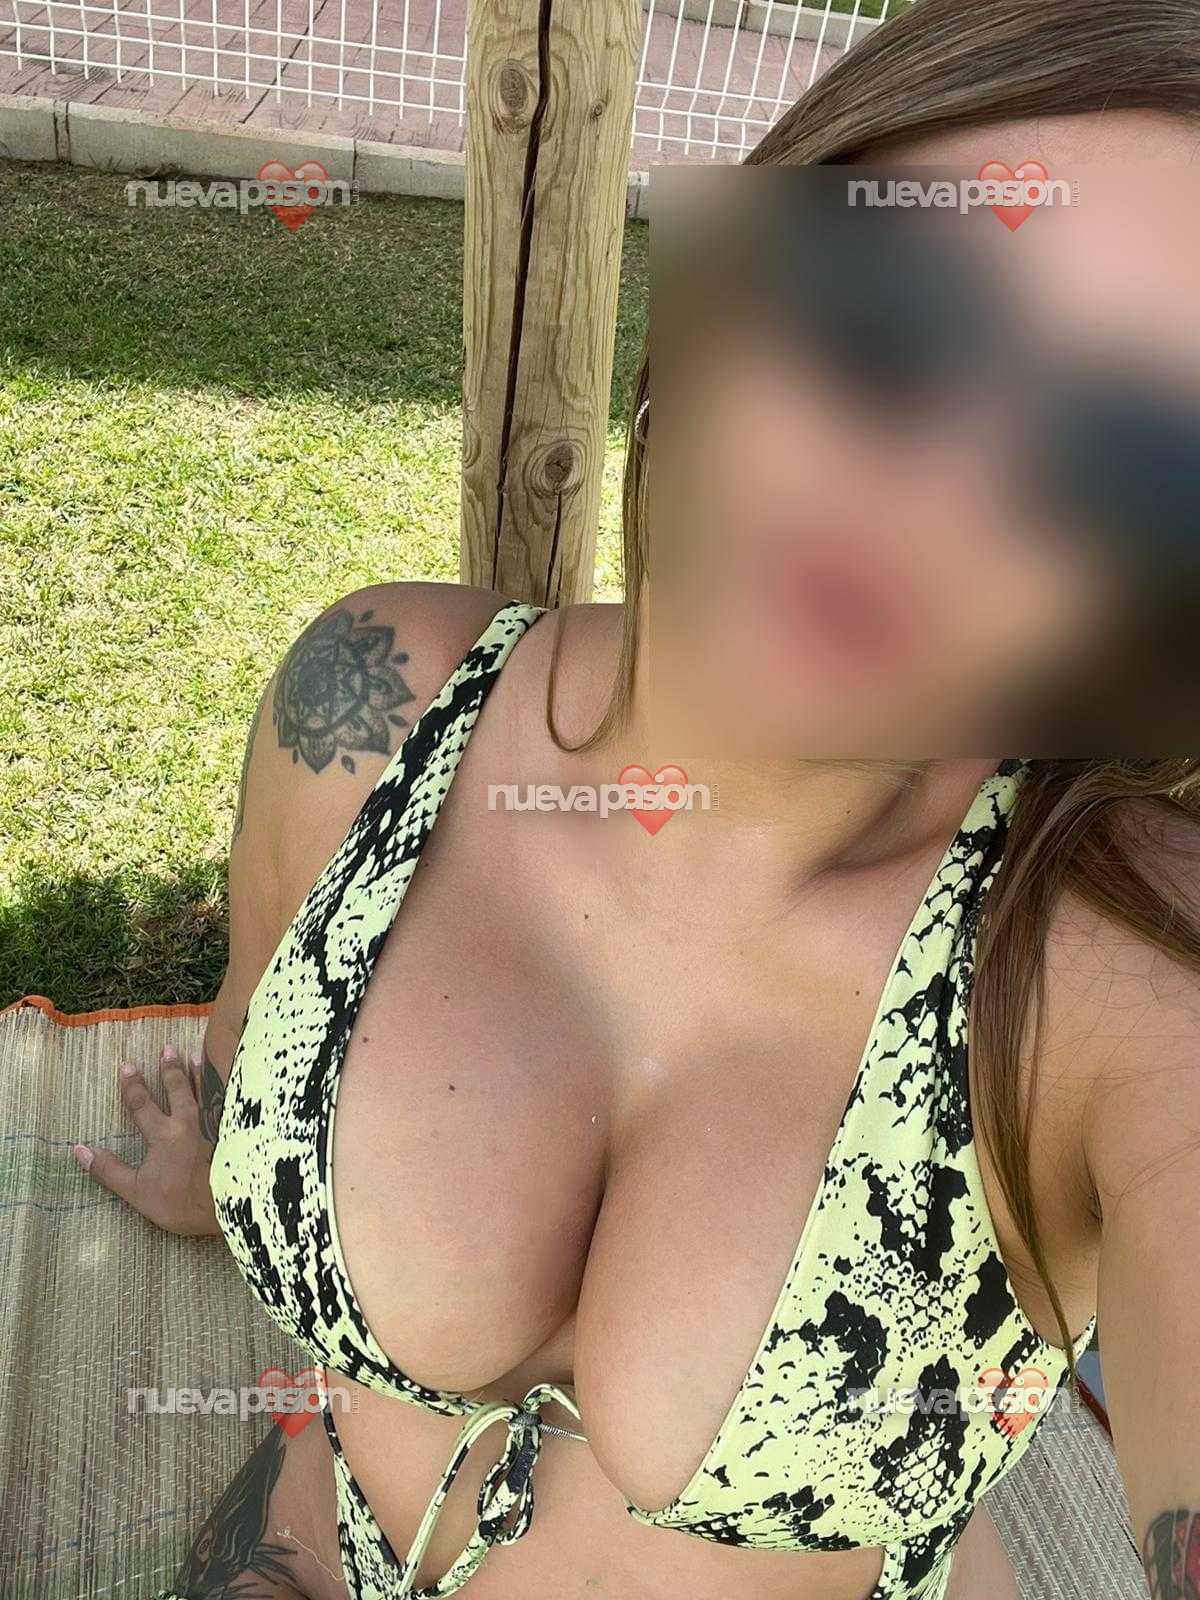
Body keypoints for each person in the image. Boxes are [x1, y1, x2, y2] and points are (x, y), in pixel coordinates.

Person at [76, 2, 1200, 1596]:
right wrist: (227, 1172)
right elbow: (261, 1015)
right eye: (896, 318)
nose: (939, 496)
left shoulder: (1123, 973)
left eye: (1127, 467)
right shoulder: (373, 703)